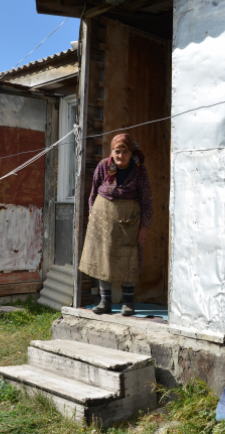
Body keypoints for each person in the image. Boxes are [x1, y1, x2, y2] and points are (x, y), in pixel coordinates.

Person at [79, 133, 152, 315]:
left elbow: (147, 200)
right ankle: (105, 302)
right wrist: (92, 215)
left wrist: (145, 226)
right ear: (112, 152)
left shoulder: (139, 170)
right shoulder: (103, 166)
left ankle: (128, 303)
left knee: (128, 258)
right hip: (102, 220)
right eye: (117, 151)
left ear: (131, 152)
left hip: (130, 221)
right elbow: (93, 192)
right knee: (103, 258)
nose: (120, 156)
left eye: (124, 152)